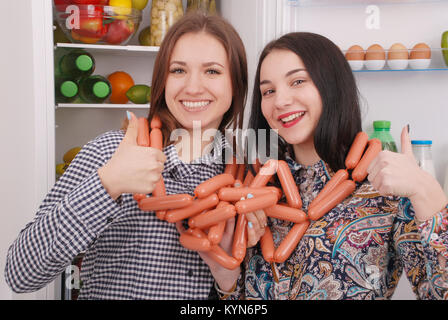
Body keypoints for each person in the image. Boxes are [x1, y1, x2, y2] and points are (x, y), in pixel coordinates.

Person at [4, 12, 249, 300]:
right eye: (178, 70)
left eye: (212, 71)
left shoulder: (245, 179)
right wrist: (108, 184)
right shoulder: (109, 151)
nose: (193, 87)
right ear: (162, 81)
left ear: (236, 84)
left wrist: (227, 280)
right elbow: (19, 274)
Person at [213, 32, 448, 300]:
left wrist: (425, 189)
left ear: (332, 86)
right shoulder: (255, 186)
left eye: (298, 81)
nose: (280, 101)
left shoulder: (385, 189)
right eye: (269, 91)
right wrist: (226, 278)